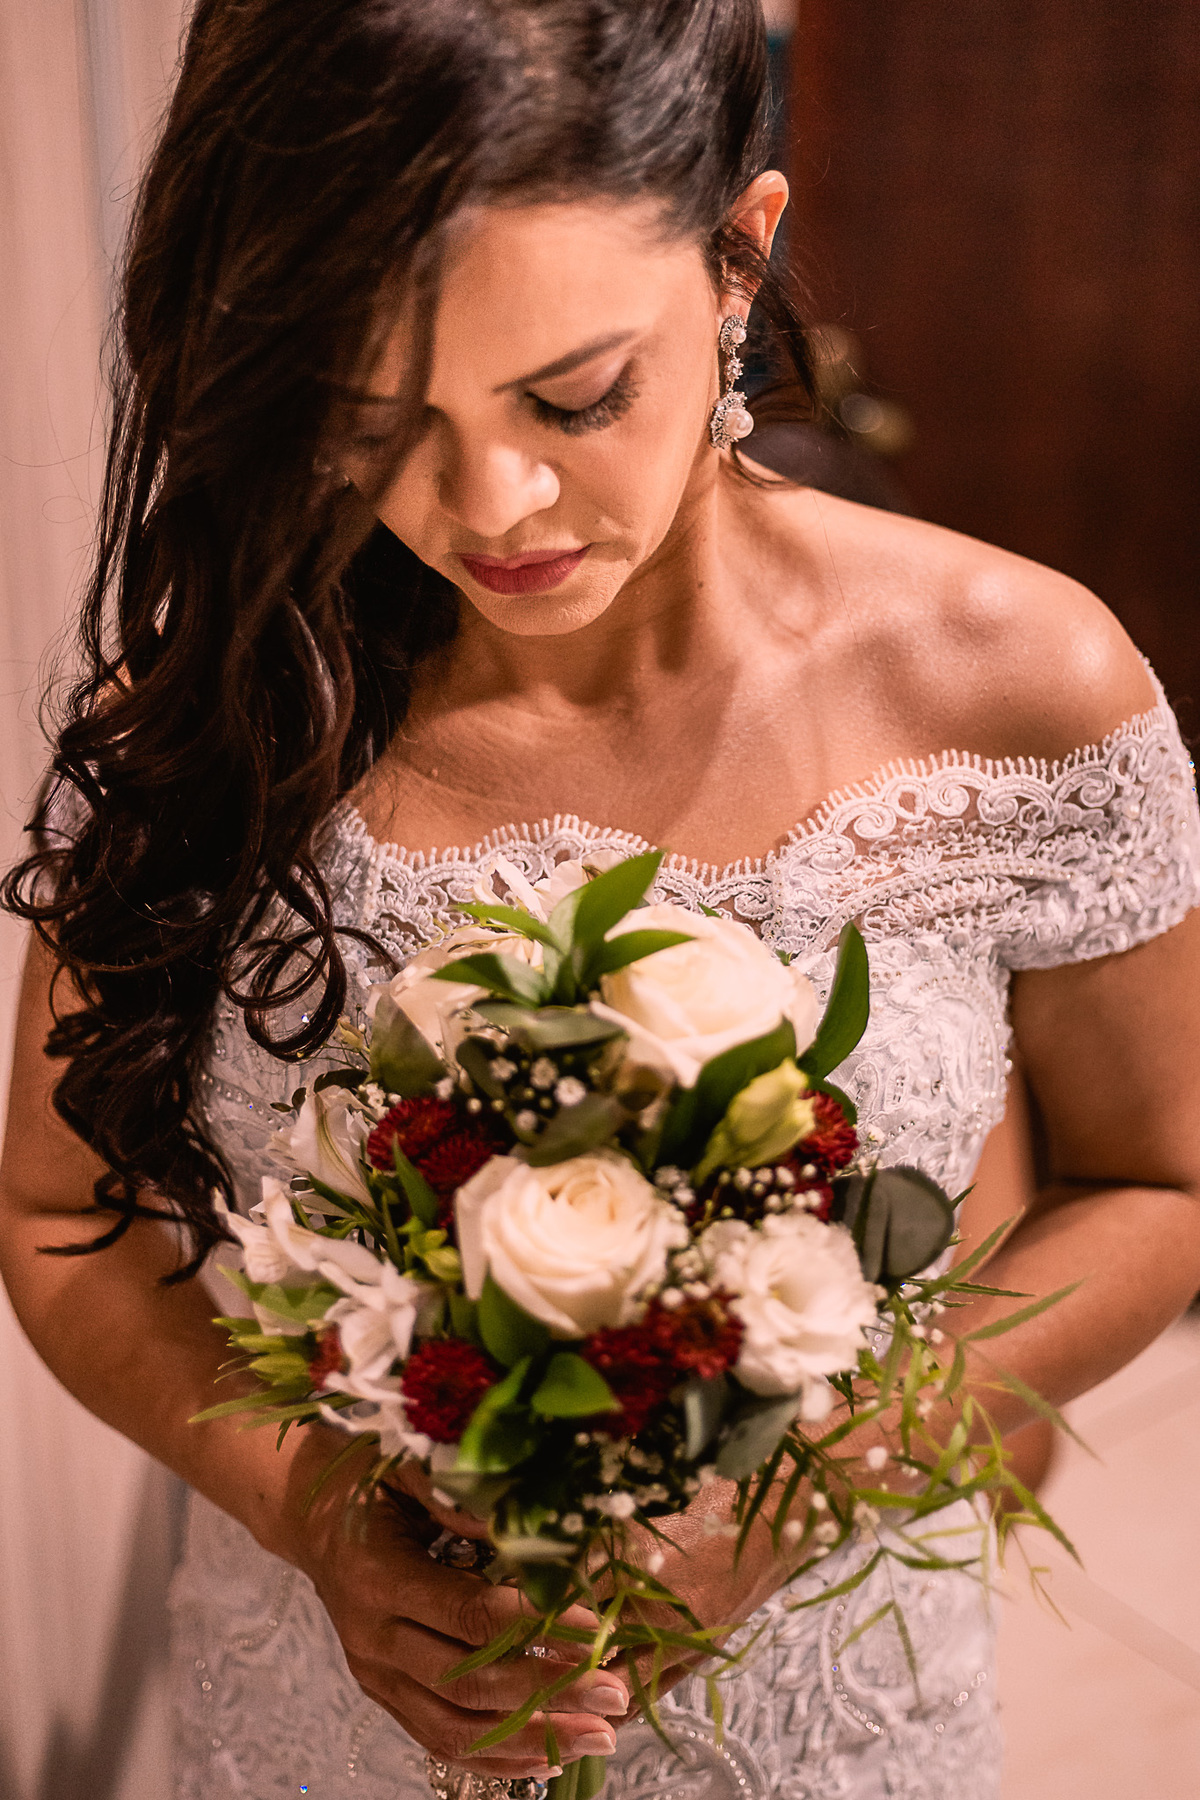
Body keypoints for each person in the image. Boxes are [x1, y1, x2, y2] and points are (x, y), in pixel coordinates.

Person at [3, 3, 1200, 1797]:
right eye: (370, 414)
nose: (492, 506)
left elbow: (1151, 1186)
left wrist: (821, 1474)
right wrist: (313, 1506)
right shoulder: (218, 709)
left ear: (740, 256)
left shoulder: (1022, 686)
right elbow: (59, 1207)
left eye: (575, 395)